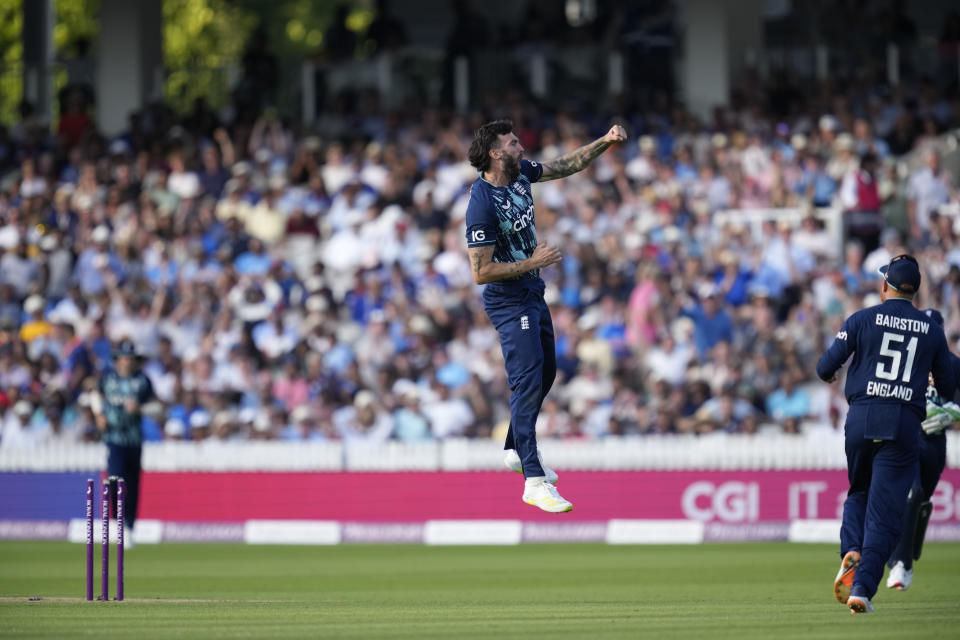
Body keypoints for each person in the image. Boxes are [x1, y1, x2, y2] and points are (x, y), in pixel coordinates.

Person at [464, 118, 627, 512]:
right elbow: (480, 272)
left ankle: (514, 448)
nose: (522, 146)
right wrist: (531, 261)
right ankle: (533, 480)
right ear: (495, 153)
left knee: (548, 371)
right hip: (508, 299)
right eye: (514, 142)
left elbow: (566, 165)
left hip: (532, 292)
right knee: (528, 379)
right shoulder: (481, 203)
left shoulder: (520, 175)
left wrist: (605, 140)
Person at [816, 255, 955, 614]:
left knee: (858, 491)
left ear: (884, 286)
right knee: (886, 513)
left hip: (861, 417)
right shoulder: (931, 331)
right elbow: (947, 385)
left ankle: (851, 548)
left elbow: (824, 367)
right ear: (917, 292)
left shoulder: (862, 318)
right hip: (903, 422)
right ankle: (862, 588)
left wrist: (833, 376)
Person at [885, 308, 960, 590]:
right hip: (907, 437)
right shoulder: (906, 361)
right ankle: (900, 564)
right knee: (911, 493)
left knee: (921, 501)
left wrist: (949, 414)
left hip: (934, 443)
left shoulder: (953, 364)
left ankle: (908, 555)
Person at [93, 339, 157, 543]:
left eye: (130, 358)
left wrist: (139, 409)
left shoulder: (142, 381)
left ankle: (129, 527)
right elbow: (95, 394)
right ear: (117, 359)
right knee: (114, 480)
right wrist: (98, 415)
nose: (126, 362)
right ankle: (116, 523)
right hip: (113, 438)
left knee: (132, 484)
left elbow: (157, 407)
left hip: (134, 439)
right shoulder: (108, 378)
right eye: (123, 358)